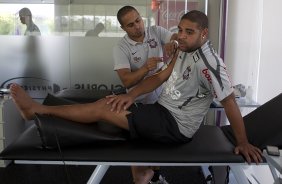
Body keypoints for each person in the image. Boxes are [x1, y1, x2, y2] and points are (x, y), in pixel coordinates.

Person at [9, 10, 263, 184]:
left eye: (189, 32)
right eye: (180, 30)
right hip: (162, 113)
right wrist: (130, 95)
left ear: (204, 34)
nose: (181, 36)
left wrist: (243, 141)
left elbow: (229, 101)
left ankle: (36, 111)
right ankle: (144, 175)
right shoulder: (182, 50)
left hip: (175, 127)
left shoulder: (210, 65)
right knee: (111, 106)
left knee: (104, 108)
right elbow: (159, 77)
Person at [113, 6, 177, 183]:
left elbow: (173, 38)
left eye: (138, 20)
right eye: (131, 24)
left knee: (157, 145)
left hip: (160, 101)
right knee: (139, 150)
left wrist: (174, 43)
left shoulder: (155, 31)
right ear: (123, 28)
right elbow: (126, 81)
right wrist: (145, 68)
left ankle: (156, 177)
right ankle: (144, 178)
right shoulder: (121, 48)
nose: (138, 26)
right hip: (137, 104)